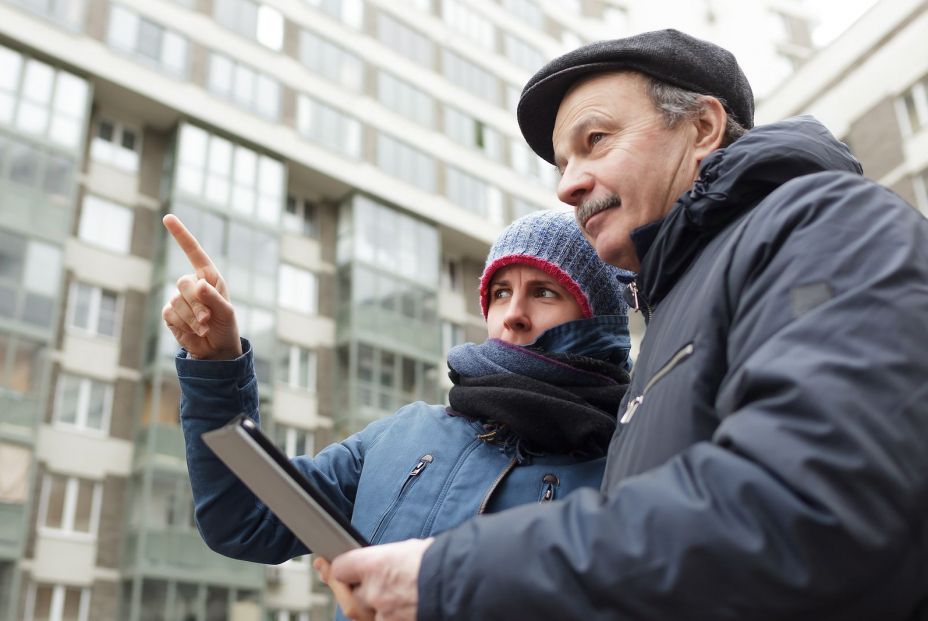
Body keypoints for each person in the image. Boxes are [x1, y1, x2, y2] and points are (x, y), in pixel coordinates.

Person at [326, 28, 928, 621]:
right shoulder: (671, 314)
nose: (568, 185)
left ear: (702, 128)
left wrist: (449, 576)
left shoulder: (823, 225)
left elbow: (807, 508)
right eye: (564, 162)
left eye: (596, 141)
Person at [162, 209, 633, 619]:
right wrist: (216, 365)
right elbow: (243, 518)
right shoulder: (404, 433)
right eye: (502, 292)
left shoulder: (630, 463)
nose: (513, 313)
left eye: (546, 292)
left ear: (595, 320)